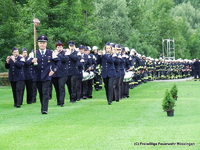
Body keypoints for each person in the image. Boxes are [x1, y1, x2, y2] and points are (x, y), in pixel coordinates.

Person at [31, 35, 57, 114]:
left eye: (44, 43)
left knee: (45, 92)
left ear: (46, 44)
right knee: (41, 93)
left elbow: (58, 62)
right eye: (40, 43)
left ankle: (44, 109)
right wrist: (32, 61)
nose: (42, 44)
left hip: (47, 76)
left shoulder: (51, 52)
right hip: (37, 76)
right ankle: (43, 106)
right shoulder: (34, 53)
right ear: (38, 44)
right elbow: (27, 63)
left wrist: (54, 70)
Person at [51, 41, 69, 107]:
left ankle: (62, 102)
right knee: (57, 88)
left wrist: (57, 54)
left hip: (63, 74)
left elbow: (65, 59)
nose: (59, 48)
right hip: (55, 74)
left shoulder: (65, 53)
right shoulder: (53, 53)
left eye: (60, 47)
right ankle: (58, 101)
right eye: (58, 47)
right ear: (56, 48)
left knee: (61, 87)